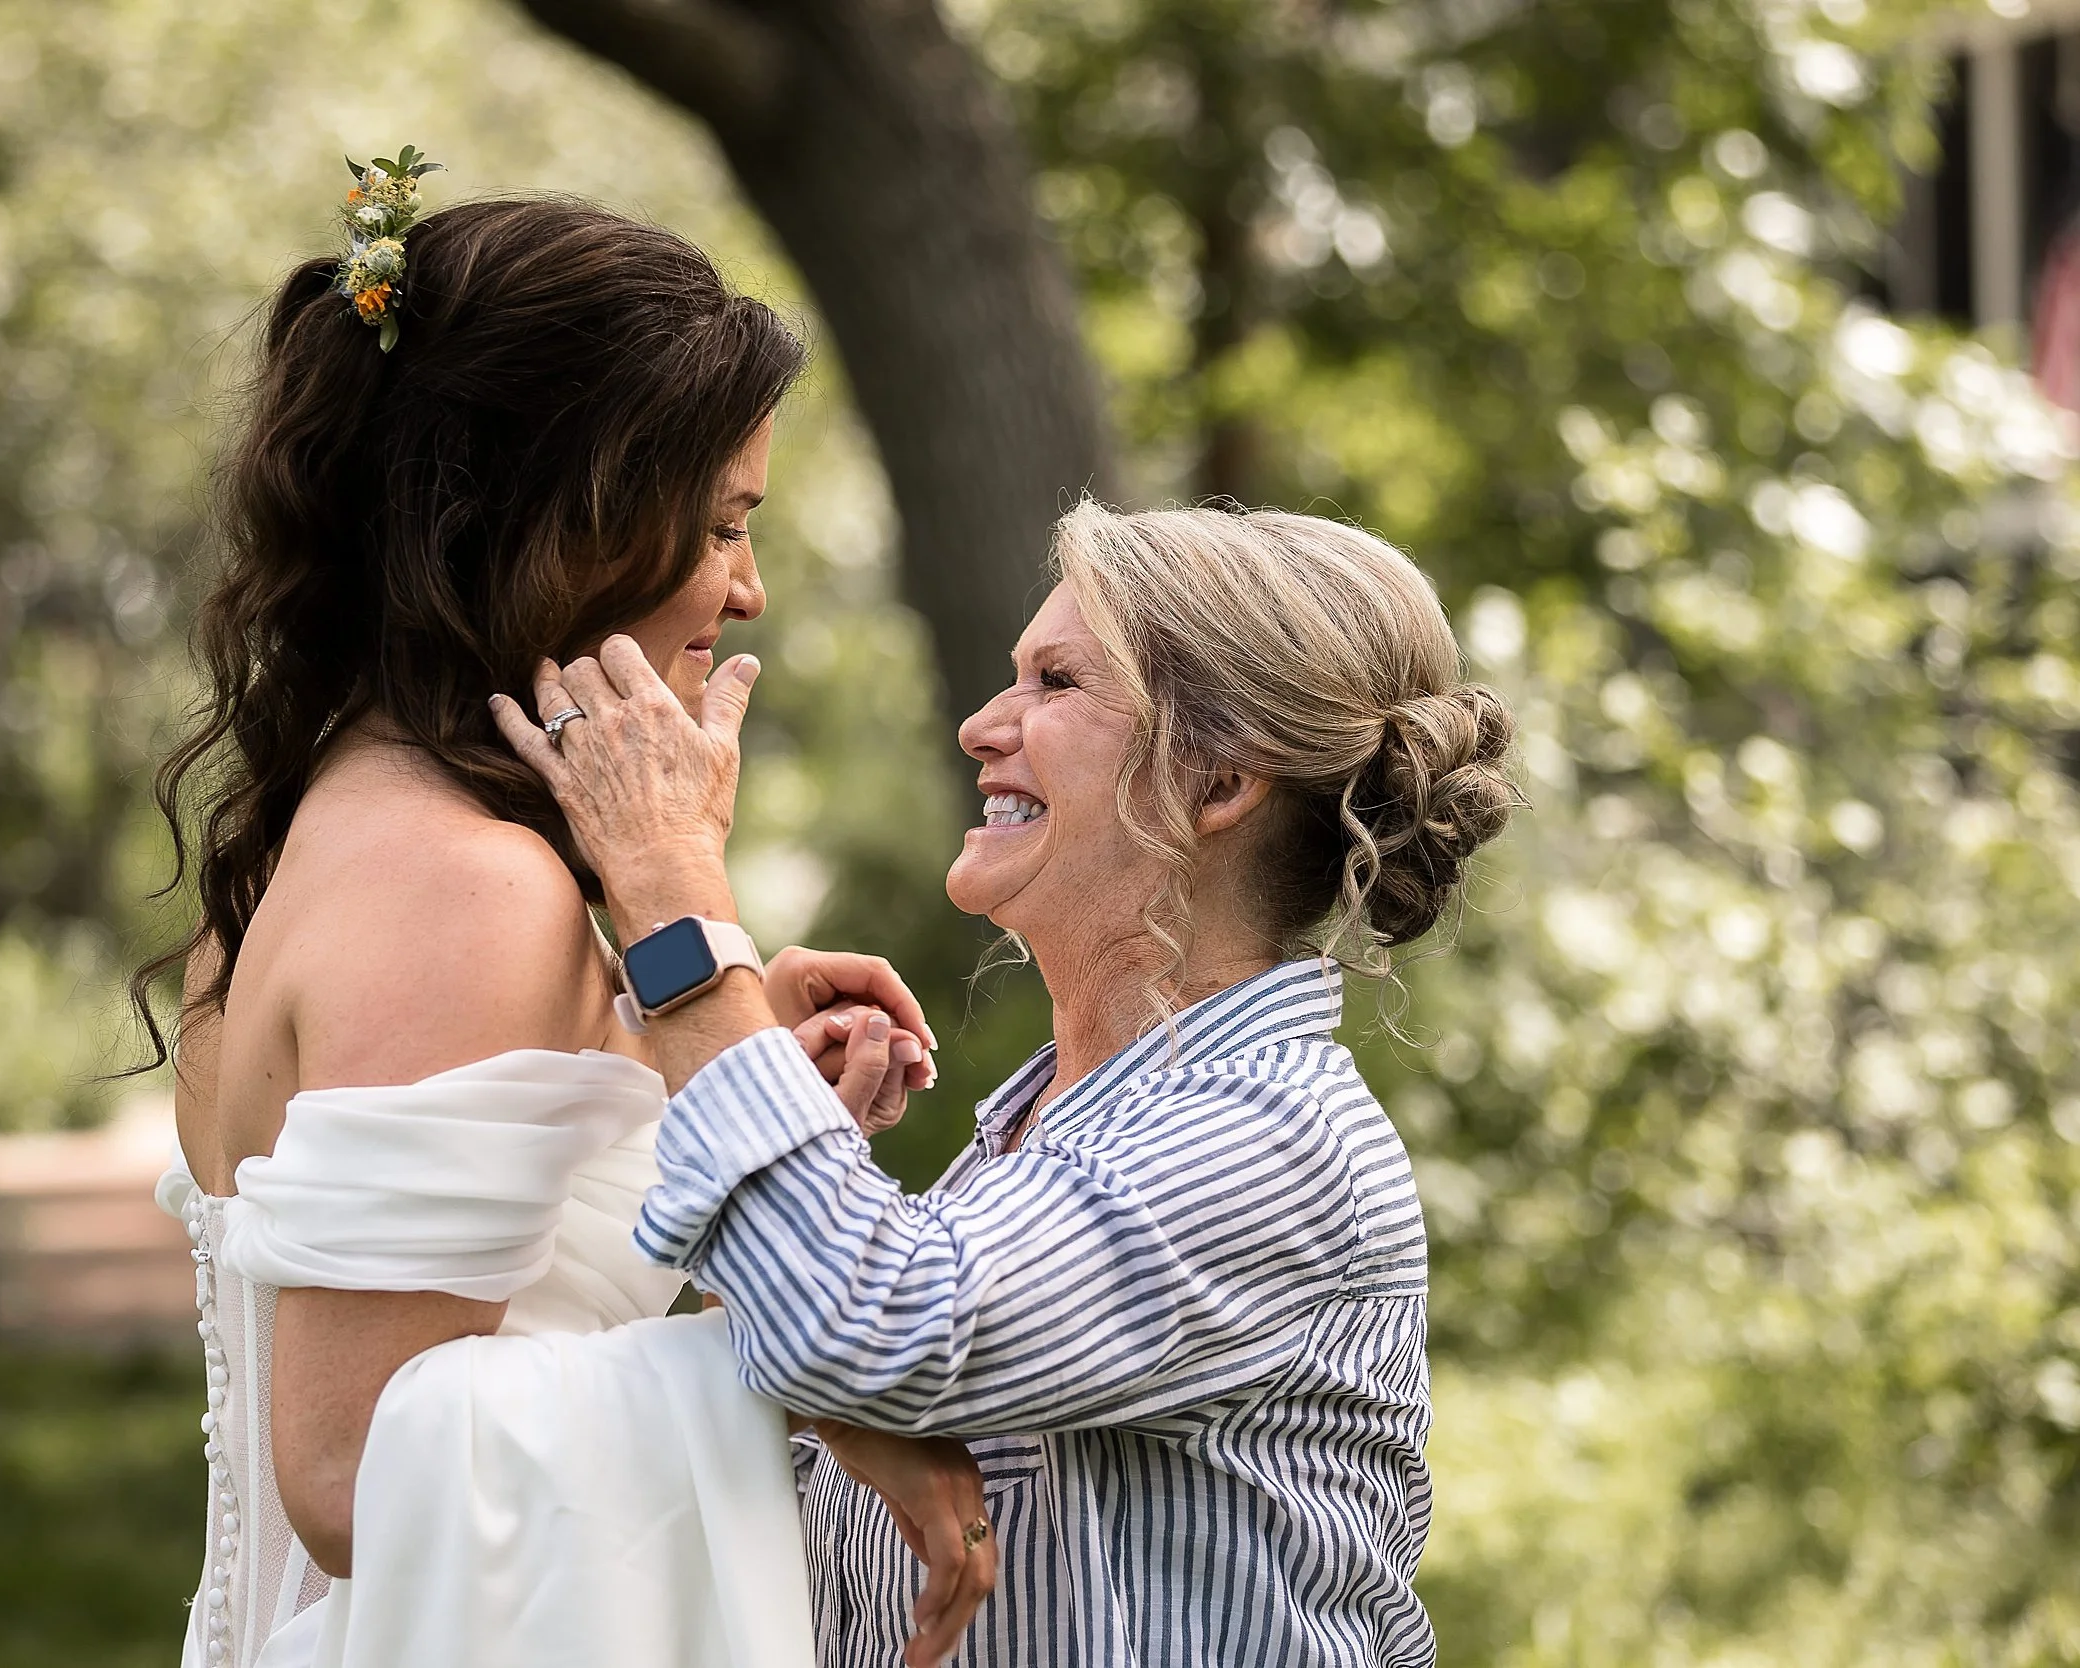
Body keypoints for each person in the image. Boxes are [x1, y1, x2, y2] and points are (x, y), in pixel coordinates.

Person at [136, 173, 991, 1668]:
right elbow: (354, 1479)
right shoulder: (466, 884)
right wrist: (799, 1377)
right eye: (724, 524)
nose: (751, 587)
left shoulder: (320, 816)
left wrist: (697, 1047)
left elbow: (491, 1280)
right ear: (570, 519)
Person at [495, 498, 1522, 1667]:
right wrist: (787, 1160)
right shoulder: (1031, 1152)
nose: (985, 725)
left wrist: (668, 883)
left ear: (1221, 780)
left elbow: (865, 1324)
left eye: (1056, 683)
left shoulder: (1271, 1133)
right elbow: (762, 1471)